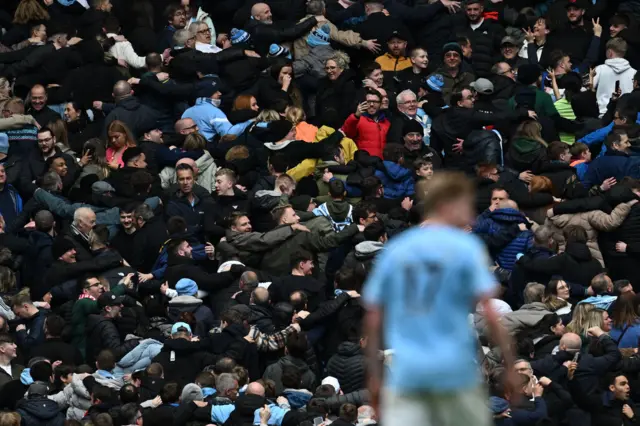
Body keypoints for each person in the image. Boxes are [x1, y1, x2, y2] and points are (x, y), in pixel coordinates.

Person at [363, 172, 515, 425]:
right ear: (448, 205)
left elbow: (373, 319)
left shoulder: (396, 249)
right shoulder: (465, 247)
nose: (471, 215)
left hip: (408, 374)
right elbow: (490, 313)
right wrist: (509, 366)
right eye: (465, 205)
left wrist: (375, 381)